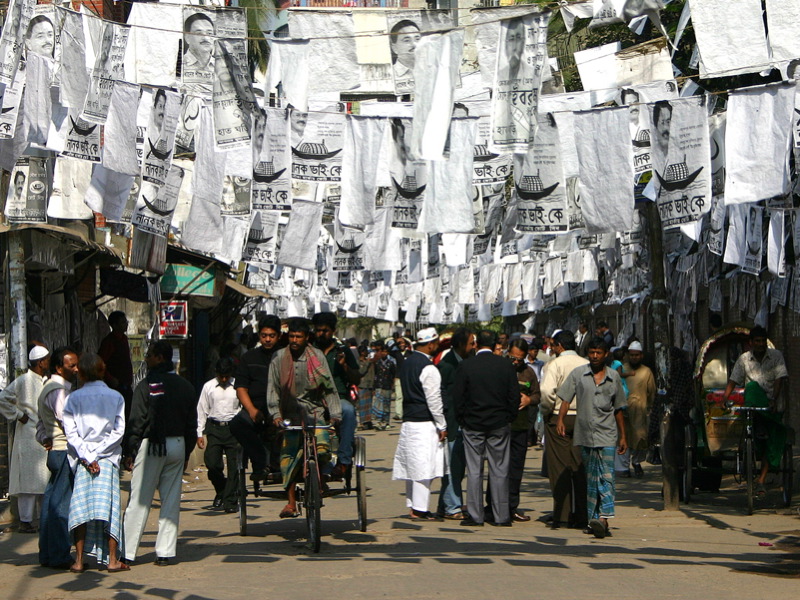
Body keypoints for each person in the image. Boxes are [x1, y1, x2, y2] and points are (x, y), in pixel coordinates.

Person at [122, 341, 197, 566]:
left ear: (160, 358)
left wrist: (130, 450)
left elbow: (137, 421)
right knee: (171, 499)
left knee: (140, 500)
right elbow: (191, 424)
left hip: (152, 445)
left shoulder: (146, 386)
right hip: (178, 444)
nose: (146, 359)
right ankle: (165, 553)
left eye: (150, 356)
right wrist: (185, 453)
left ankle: (127, 552)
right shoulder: (186, 386)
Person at [266, 319, 340, 520]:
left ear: (307, 338)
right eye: (291, 336)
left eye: (298, 337)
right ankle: (291, 503)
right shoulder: (279, 358)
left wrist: (334, 414)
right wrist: (276, 415)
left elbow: (329, 387)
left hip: (315, 412)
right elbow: (272, 389)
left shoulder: (316, 357)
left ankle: (320, 478)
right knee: (286, 459)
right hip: (290, 416)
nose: (294, 340)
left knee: (323, 450)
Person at [556, 337, 627, 539]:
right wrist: (560, 419)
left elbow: (619, 409)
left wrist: (623, 437)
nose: (595, 356)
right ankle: (593, 520)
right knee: (591, 477)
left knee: (606, 476)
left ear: (606, 355)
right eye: (592, 352)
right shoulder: (578, 374)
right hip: (585, 434)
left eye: (599, 353)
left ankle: (604, 517)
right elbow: (565, 398)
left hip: (607, 435)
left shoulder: (614, 377)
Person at [63, 353, 127, 573]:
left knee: (81, 510)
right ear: (102, 370)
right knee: (109, 509)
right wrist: (99, 454)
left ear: (80, 373)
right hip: (107, 460)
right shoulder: (116, 397)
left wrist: (87, 456)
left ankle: (79, 560)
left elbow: (70, 433)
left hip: (83, 461)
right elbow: (119, 431)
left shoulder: (73, 398)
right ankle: (112, 560)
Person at [453, 330, 519, 527]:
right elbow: (513, 395)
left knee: (474, 470)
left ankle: (475, 515)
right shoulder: (505, 365)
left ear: (476, 344)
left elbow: (458, 397)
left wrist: (462, 420)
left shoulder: (466, 366)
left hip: (473, 424)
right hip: (499, 423)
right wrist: (509, 418)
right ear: (494, 344)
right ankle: (501, 516)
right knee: (500, 470)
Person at [722, 326, 789, 496]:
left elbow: (780, 379)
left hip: (771, 405)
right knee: (751, 387)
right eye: (757, 341)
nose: (760, 344)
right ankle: (757, 429)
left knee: (771, 444)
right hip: (752, 406)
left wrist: (773, 399)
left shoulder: (776, 356)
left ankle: (761, 480)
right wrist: (725, 398)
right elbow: (733, 380)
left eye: (763, 341)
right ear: (751, 343)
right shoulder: (744, 359)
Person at [392, 328, 447, 520]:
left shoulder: (407, 363)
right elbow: (434, 400)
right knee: (424, 468)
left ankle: (414, 505)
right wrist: (442, 424)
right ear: (431, 344)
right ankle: (420, 508)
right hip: (424, 423)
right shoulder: (428, 368)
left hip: (409, 422)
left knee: (413, 467)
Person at [484, 338, 540, 522]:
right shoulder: (498, 368)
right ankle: (491, 506)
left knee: (515, 469)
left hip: (520, 428)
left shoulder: (529, 373)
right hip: (499, 427)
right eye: (513, 358)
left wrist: (529, 400)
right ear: (507, 352)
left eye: (520, 360)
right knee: (497, 467)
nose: (516, 363)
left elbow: (538, 395)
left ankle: (511, 506)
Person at [539, 330, 589, 529]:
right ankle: (583, 513)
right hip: (583, 417)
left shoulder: (555, 364)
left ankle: (563, 515)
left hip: (559, 416)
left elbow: (546, 391)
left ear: (559, 345)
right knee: (580, 466)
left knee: (560, 466)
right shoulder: (586, 363)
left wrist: (547, 411)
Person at [36, 347, 79, 569]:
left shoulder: (47, 387)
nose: (76, 369)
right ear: (58, 367)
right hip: (63, 450)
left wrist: (45, 438)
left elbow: (40, 424)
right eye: (71, 366)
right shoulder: (59, 390)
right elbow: (67, 422)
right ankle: (60, 554)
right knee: (61, 504)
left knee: (51, 503)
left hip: (56, 449)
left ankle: (48, 553)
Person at [0, 344, 51, 533]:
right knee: (28, 484)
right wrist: (18, 414)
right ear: (40, 362)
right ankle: (26, 521)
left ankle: (43, 519)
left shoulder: (47, 381)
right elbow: (3, 398)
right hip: (28, 434)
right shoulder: (23, 381)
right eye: (46, 359)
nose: (49, 362)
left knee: (44, 479)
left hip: (43, 433)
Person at [230, 316, 281, 483]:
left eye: (272, 336)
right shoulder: (249, 358)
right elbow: (241, 388)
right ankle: (260, 461)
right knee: (237, 423)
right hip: (257, 408)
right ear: (259, 335)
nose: (267, 339)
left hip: (282, 410)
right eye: (264, 335)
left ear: (278, 336)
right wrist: (251, 410)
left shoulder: (286, 357)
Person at [312, 312, 360, 480]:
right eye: (318, 330)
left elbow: (356, 378)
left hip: (337, 398)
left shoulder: (343, 351)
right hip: (313, 399)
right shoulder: (309, 349)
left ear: (333, 331)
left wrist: (344, 366)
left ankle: (344, 461)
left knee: (348, 411)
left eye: (325, 331)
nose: (321, 334)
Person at [436, 327, 475, 520]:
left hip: (464, 421)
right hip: (451, 423)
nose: (473, 346)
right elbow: (441, 396)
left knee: (458, 466)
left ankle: (446, 505)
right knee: (452, 467)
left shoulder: (468, 361)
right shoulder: (446, 366)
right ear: (460, 345)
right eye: (471, 343)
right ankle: (452, 507)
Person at [197, 357, 240, 513]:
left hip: (233, 429)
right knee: (212, 463)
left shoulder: (238, 386)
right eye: (221, 376)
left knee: (235, 467)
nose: (223, 379)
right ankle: (222, 490)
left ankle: (230, 501)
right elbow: (202, 409)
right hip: (214, 429)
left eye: (226, 376)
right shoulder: (208, 387)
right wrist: (199, 433)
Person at [621, 341, 655, 478]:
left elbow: (652, 391)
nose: (634, 357)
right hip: (623, 410)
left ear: (641, 356)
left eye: (637, 355)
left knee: (640, 438)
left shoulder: (646, 372)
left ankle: (636, 462)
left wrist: (652, 408)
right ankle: (624, 468)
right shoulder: (622, 369)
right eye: (632, 355)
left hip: (640, 411)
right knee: (624, 438)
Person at [98, 311, 134, 422]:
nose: (126, 324)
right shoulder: (109, 342)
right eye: (123, 322)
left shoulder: (124, 339)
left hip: (126, 385)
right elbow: (100, 362)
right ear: (114, 325)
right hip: (115, 387)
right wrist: (110, 378)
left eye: (125, 322)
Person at [371, 340, 396, 431]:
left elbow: (393, 374)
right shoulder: (377, 363)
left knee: (386, 404)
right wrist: (374, 387)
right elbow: (375, 374)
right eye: (382, 351)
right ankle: (378, 421)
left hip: (387, 386)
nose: (384, 353)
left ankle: (386, 421)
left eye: (386, 352)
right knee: (378, 404)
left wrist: (392, 385)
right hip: (379, 385)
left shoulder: (391, 363)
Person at [389, 19, 420, 93]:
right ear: (394, 48)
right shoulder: (390, 75)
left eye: (417, 39)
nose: (414, 44)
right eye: (407, 40)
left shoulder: (432, 70)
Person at [356, 346, 375, 430]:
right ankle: (362, 423)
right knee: (362, 406)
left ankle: (368, 421)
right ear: (362, 353)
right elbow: (361, 372)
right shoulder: (358, 362)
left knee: (369, 406)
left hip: (369, 385)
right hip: (362, 385)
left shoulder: (369, 362)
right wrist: (367, 363)